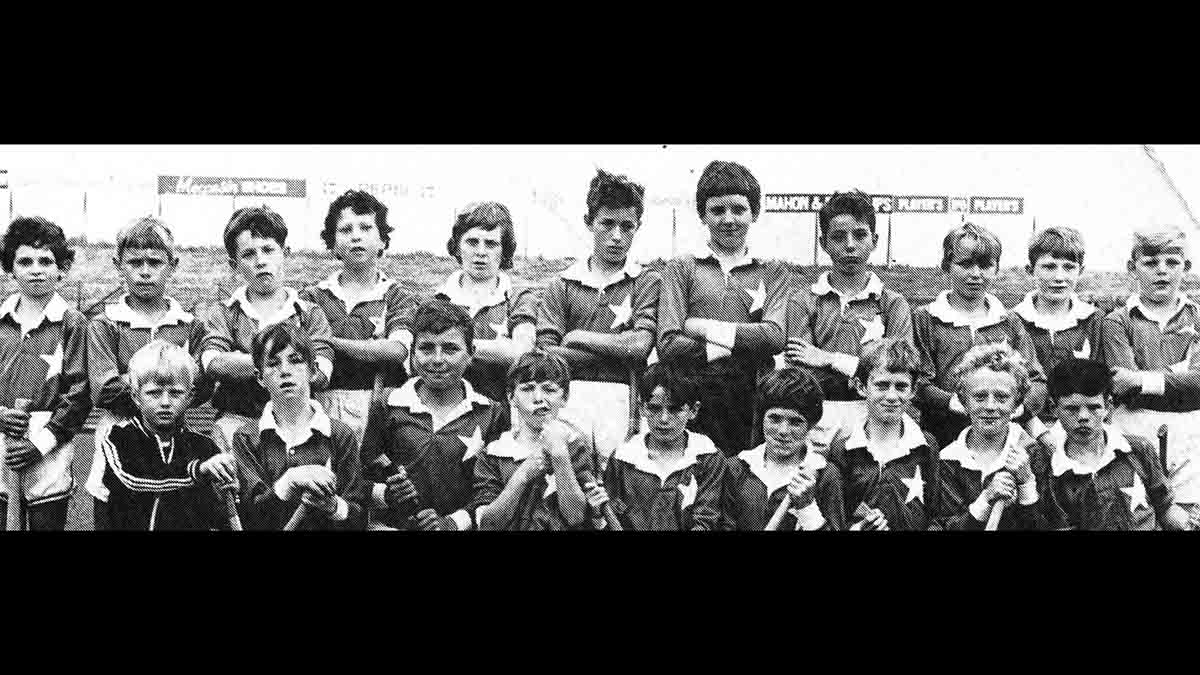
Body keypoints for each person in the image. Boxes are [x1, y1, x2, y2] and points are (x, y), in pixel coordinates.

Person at [657, 160, 790, 455]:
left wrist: (701, 327)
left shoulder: (772, 270)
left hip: (753, 396)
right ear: (703, 215)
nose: (728, 219)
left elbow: (774, 337)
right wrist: (738, 345)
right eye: (717, 210)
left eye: (738, 209)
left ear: (754, 213)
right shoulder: (682, 268)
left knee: (745, 474)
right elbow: (668, 344)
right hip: (695, 396)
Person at [85, 217, 210, 529]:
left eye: (154, 262)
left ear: (172, 265)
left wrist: (152, 390)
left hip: (174, 438)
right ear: (119, 265)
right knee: (117, 515)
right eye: (134, 262)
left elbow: (202, 388)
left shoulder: (190, 325)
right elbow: (104, 389)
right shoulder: (105, 323)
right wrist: (168, 378)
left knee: (173, 513)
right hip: (119, 434)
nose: (144, 271)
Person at [537, 169, 660, 466]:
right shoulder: (562, 284)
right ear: (589, 222)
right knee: (568, 475)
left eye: (627, 227)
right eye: (607, 224)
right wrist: (616, 351)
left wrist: (576, 337)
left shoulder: (646, 281)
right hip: (568, 397)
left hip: (621, 396)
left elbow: (639, 346)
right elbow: (547, 355)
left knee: (617, 475)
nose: (617, 236)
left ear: (637, 227)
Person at [782, 189, 913, 455]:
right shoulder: (803, 301)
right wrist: (865, 370)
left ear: (874, 240)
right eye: (839, 237)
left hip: (876, 416)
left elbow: (898, 370)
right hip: (818, 417)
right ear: (823, 243)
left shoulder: (892, 303)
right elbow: (803, 375)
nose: (850, 245)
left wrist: (829, 359)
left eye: (860, 235)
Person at [360, 297, 508, 531]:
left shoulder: (491, 413)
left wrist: (453, 522)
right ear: (412, 352)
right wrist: (386, 494)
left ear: (471, 353)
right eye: (427, 348)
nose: (438, 360)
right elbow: (360, 479)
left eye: (450, 349)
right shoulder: (388, 404)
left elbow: (494, 490)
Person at [200, 206, 335, 454]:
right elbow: (214, 363)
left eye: (268, 250)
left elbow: (321, 374)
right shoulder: (224, 312)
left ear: (285, 253)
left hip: (298, 423)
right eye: (248, 254)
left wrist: (245, 363)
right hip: (238, 420)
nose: (260, 261)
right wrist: (288, 362)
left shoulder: (309, 313)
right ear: (234, 264)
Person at [912, 222, 1048, 450]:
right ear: (946, 265)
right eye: (965, 264)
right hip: (944, 434)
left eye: (985, 265)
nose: (975, 274)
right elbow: (918, 381)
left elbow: (1036, 381)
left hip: (1002, 437)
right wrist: (951, 402)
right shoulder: (926, 318)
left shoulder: (1008, 321)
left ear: (996, 268)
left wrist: (1020, 408)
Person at [1104, 225, 1200, 521]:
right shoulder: (1116, 321)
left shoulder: (1198, 317)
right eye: (1150, 262)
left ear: (1186, 267)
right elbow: (1124, 388)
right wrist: (1180, 375)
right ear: (1132, 267)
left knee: (1186, 520)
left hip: (1190, 433)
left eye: (1172, 262)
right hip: (1134, 429)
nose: (1162, 270)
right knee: (1136, 518)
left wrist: (1142, 379)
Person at [0, 216, 91, 531]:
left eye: (46, 261)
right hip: (2, 436)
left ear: (62, 268)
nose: (36, 269)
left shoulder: (72, 322)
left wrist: (40, 443)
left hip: (50, 443)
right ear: (10, 268)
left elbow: (79, 394)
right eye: (25, 262)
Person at [229, 322, 365, 530]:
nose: (285, 371)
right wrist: (289, 482)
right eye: (273, 364)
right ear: (260, 378)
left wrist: (333, 506)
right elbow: (250, 519)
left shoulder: (339, 434)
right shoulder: (246, 437)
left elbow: (358, 518)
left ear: (313, 371)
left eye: (295, 361)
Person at [301, 190, 409, 447]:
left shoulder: (397, 296)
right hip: (320, 405)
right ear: (332, 243)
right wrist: (370, 346)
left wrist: (328, 341)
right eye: (345, 230)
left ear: (382, 241)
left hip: (378, 407)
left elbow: (396, 350)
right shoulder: (312, 297)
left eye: (366, 228)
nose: (356, 236)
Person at [97, 341, 238, 530]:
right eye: (154, 393)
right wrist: (198, 470)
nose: (165, 402)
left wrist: (229, 493)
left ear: (190, 397)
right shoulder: (119, 438)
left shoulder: (205, 446)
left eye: (175, 393)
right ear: (136, 397)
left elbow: (218, 515)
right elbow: (135, 478)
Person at [1044, 358, 1193, 530]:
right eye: (1072, 409)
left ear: (1108, 406)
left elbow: (1166, 509)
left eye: (1094, 408)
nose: (1083, 417)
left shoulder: (1138, 449)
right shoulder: (1049, 467)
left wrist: (1189, 526)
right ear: (1054, 408)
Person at [931, 342, 1061, 531]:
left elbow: (1048, 524)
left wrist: (1026, 484)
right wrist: (985, 499)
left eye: (1001, 398)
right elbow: (945, 525)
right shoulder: (948, 461)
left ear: (1016, 404)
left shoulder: (1034, 454)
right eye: (980, 397)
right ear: (964, 402)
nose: (990, 406)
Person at [583, 362, 724, 531]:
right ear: (642, 408)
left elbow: (707, 521)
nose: (664, 419)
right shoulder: (624, 458)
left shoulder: (707, 458)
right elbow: (611, 517)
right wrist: (597, 513)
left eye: (674, 409)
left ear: (693, 410)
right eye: (654, 408)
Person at [420, 202, 536, 403]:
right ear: (457, 247)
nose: (481, 252)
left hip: (501, 410)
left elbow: (523, 354)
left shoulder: (519, 299)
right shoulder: (436, 301)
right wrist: (497, 350)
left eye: (491, 244)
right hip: (447, 408)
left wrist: (453, 347)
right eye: (472, 242)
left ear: (505, 250)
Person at [470, 350, 593, 530]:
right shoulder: (494, 453)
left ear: (564, 397)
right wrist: (523, 474)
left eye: (549, 389)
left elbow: (576, 517)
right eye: (527, 389)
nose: (538, 398)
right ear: (511, 398)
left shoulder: (576, 447)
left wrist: (559, 455)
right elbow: (488, 525)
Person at [826, 338, 938, 531]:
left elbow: (936, 516)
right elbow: (837, 518)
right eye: (882, 385)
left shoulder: (926, 446)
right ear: (861, 387)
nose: (892, 396)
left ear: (913, 390)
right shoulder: (843, 449)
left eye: (901, 387)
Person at [723, 367, 847, 531]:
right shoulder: (736, 468)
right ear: (762, 419)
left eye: (796, 422)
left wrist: (807, 508)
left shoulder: (826, 475)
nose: (783, 431)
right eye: (774, 418)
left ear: (811, 425)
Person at [1009, 226, 1103, 425]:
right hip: (1024, 424)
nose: (1059, 277)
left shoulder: (1095, 320)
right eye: (1049, 267)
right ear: (1030, 270)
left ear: (1081, 271)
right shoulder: (1012, 321)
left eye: (1069, 267)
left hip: (1081, 424)